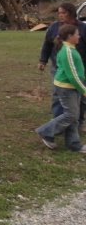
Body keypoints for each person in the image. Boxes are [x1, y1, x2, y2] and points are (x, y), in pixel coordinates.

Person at [36, 24, 86, 152]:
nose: (79, 36)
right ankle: (45, 131)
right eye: (77, 34)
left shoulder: (70, 47)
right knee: (71, 115)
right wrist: (83, 89)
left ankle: (73, 143)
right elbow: (72, 74)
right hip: (67, 87)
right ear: (70, 36)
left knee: (73, 115)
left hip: (71, 87)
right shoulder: (67, 51)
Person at [38, 2, 86, 127]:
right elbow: (47, 45)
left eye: (63, 13)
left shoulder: (82, 29)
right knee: (57, 95)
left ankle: (78, 122)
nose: (60, 15)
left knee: (80, 96)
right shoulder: (54, 27)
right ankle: (59, 121)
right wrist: (43, 60)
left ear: (71, 13)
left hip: (80, 68)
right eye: (59, 13)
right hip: (59, 68)